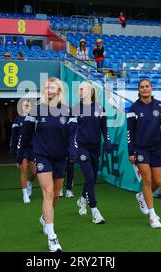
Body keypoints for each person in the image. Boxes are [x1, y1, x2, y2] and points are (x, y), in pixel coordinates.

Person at [17, 77, 78, 252]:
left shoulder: (68, 111)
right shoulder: (36, 111)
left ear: (59, 90)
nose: (47, 90)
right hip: (42, 156)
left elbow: (73, 136)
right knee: (48, 192)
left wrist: (72, 153)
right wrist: (20, 155)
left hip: (61, 158)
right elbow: (26, 136)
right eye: (45, 87)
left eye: (51, 87)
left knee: (56, 194)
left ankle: (45, 218)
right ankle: (52, 237)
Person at [127, 79, 161, 229]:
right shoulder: (133, 108)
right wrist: (130, 151)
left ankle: (141, 196)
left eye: (147, 86)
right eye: (142, 87)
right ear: (138, 89)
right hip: (140, 149)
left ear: (151, 88)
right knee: (147, 180)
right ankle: (152, 216)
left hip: (156, 149)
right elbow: (130, 132)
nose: (145, 89)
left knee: (158, 181)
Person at [73, 81, 112, 224]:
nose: (80, 91)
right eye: (79, 89)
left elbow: (104, 128)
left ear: (90, 90)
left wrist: (107, 141)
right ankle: (95, 211)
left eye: (82, 89)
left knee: (92, 178)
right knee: (89, 177)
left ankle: (82, 199)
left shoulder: (100, 108)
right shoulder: (76, 109)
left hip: (95, 148)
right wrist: (73, 148)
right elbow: (73, 131)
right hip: (82, 148)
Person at [10, 99, 36, 204]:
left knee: (34, 172)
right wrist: (13, 151)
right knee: (24, 169)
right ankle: (25, 194)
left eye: (28, 105)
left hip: (34, 148)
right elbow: (14, 136)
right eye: (24, 105)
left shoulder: (34, 118)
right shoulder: (17, 119)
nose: (26, 107)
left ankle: (30, 183)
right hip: (22, 148)